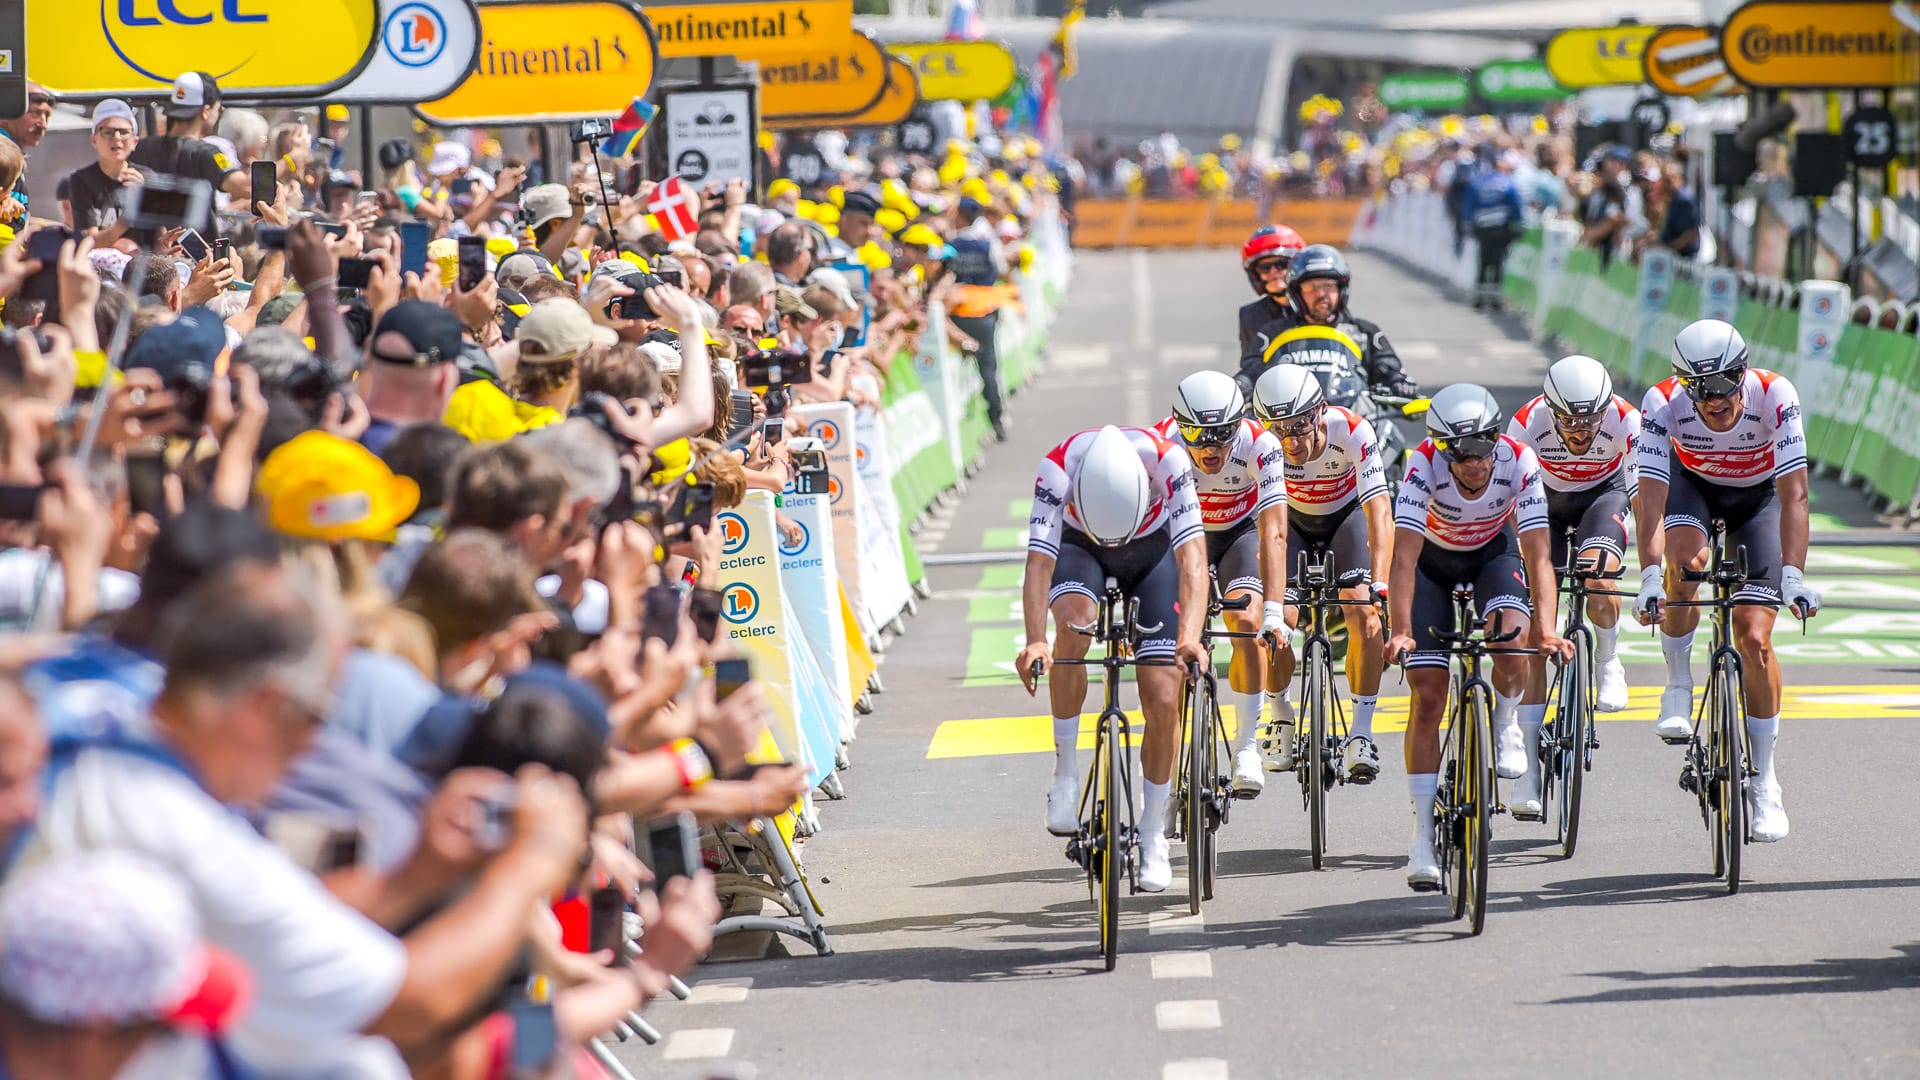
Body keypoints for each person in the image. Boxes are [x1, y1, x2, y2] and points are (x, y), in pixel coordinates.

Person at [1631, 319, 1820, 843]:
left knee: (1755, 636)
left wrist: (1793, 575)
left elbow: (1795, 496)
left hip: (1755, 499)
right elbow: (1649, 495)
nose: (1713, 400)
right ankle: (1676, 682)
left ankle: (1766, 782)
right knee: (1685, 563)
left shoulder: (1775, 395)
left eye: (1723, 386)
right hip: (1693, 487)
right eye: (1700, 389)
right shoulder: (1661, 402)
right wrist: (1649, 576)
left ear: (1743, 374)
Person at [1384, 384, 1568, 887]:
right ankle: (1422, 834)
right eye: (1460, 454)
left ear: (1495, 438)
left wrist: (1547, 631)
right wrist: (1401, 631)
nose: (1474, 463)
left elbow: (1537, 556)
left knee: (1513, 646)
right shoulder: (1421, 467)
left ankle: (1506, 720)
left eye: (1483, 447)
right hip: (1431, 567)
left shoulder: (1519, 461)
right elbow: (1402, 559)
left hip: (1492, 554)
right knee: (1427, 698)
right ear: (1442, 449)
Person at [1016, 425, 1208, 893]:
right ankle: (1065, 772)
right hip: (1082, 548)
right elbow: (1039, 564)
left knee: (1164, 694)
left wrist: (1188, 638)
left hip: (1151, 551)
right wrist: (1035, 640)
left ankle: (1153, 833)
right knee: (1073, 626)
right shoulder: (1057, 469)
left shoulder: (1170, 464)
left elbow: (1193, 563)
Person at [1250, 364, 1393, 782]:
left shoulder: (1353, 431)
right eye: (1279, 430)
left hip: (1344, 519)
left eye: (1299, 426)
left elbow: (1380, 512)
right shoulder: (1264, 444)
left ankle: (1361, 733)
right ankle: (1280, 713)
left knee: (1362, 611)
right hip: (1289, 523)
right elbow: (1267, 525)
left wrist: (1380, 581)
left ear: (1320, 412)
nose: (1291, 441)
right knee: (1279, 620)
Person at [1151, 371, 1288, 795]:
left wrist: (1273, 612)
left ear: (1240, 423)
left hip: (1238, 532)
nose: (1211, 449)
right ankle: (1168, 767)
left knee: (1246, 622)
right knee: (1164, 642)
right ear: (1179, 425)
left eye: (1222, 435)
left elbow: (1274, 532)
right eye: (1198, 436)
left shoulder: (1260, 444)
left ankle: (1247, 745)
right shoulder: (1161, 444)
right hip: (1179, 534)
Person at [1505, 355, 1638, 716]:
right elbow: (1512, 497)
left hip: (1603, 496)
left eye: (1592, 420)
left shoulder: (1627, 420)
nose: (1581, 431)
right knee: (1534, 614)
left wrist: (1656, 571)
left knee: (1599, 577)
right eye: (1568, 421)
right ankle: (1529, 737)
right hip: (1544, 502)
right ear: (1550, 410)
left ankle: (1608, 659)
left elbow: (1645, 493)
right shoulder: (1526, 422)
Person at [130, 73, 298, 235]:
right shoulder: (206, 153)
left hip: (150, 252)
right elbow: (247, 186)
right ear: (205, 111)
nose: (218, 114)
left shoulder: (141, 147)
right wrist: (293, 158)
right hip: (200, 256)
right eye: (219, 109)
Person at [1244, 245, 1416, 398]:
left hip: (1356, 421)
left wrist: (1398, 382)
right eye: (1311, 287)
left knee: (1388, 433)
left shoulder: (1365, 332)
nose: (1320, 294)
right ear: (1297, 293)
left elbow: (1389, 369)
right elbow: (1251, 372)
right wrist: (1242, 385)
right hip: (1291, 426)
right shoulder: (1271, 333)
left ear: (1341, 290)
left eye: (1328, 286)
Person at [948, 195, 1010, 441]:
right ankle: (996, 418)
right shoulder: (987, 243)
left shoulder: (950, 244)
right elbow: (1002, 269)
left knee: (959, 371)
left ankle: (966, 429)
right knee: (988, 368)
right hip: (984, 313)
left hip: (956, 315)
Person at [57, 99, 145, 246]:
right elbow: (90, 243)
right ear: (94, 141)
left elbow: (159, 238)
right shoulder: (81, 181)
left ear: (134, 142)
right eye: (108, 132)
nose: (116, 138)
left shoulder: (146, 178)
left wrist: (147, 198)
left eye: (123, 132)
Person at [1236, 223, 1304, 358]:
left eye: (1282, 264)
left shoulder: (1318, 307)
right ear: (1255, 274)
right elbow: (1250, 365)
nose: (1274, 272)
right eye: (1265, 267)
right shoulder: (1250, 315)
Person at [1467, 151, 1524, 311]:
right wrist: (1518, 226)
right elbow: (1516, 207)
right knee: (1498, 263)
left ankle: (1479, 297)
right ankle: (1494, 299)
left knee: (1483, 262)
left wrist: (1468, 224)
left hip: (1483, 228)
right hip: (1500, 229)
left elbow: (1469, 206)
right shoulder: (1507, 183)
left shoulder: (1478, 182)